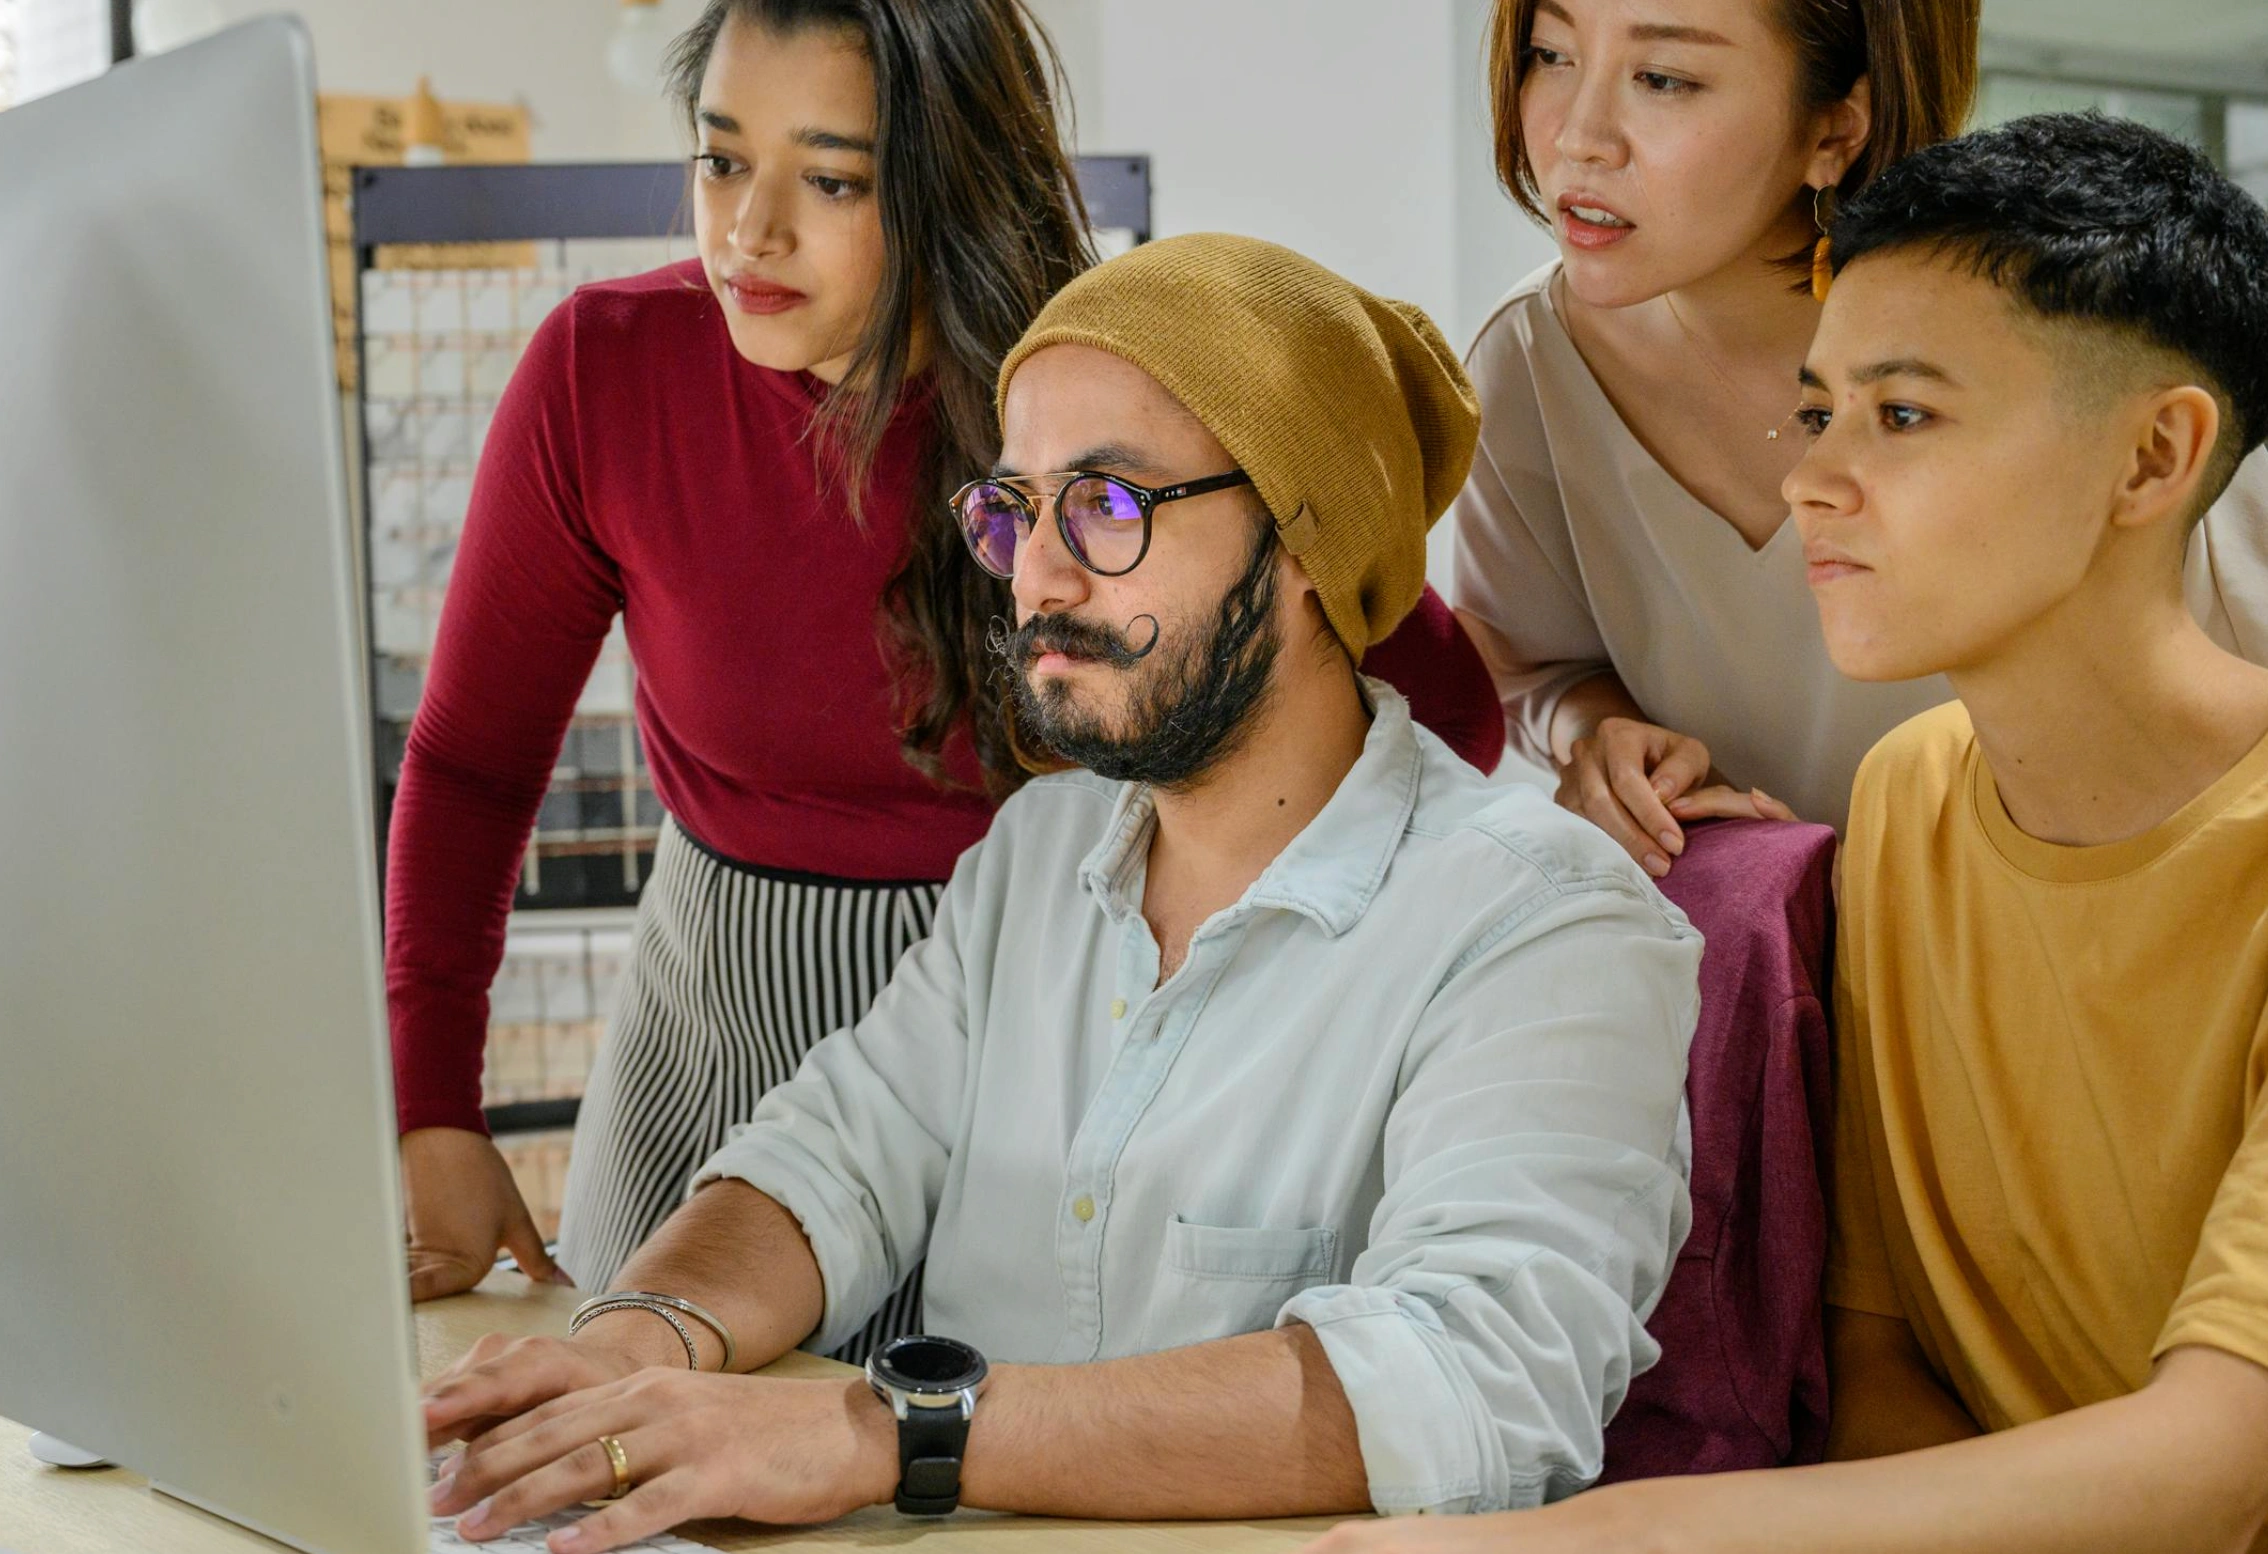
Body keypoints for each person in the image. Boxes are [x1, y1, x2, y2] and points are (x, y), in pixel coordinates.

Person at [418, 233, 1702, 1548]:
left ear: (1305, 541)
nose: (1038, 573)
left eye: (1107, 505)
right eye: (1015, 509)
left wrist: (885, 1433)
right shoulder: (1040, 851)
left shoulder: (1546, 924)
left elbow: (1474, 1380)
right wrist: (634, 1345)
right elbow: (833, 1159)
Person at [388, 0, 1506, 1333]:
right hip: (709, 1024)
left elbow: (1442, 711)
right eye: (723, 158)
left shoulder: (1089, 401)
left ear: (951, 182)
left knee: (984, 1445)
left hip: (1043, 1043)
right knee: (643, 1412)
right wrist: (432, 1108)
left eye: (834, 180)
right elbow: (469, 764)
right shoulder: (603, 371)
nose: (749, 231)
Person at [1298, 113, 2268, 1553]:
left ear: (2153, 458)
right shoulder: (1910, 799)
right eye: (1819, 413)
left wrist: (1554, 1545)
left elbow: (2219, 1463)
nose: (1810, 481)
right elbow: (1877, 1359)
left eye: (1905, 415)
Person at [1450, 0, 2268, 872]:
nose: (1578, 138)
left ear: (1836, 127)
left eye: (1663, 78)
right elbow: (1534, 666)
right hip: (1777, 932)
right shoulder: (1528, 360)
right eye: (1550, 53)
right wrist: (1608, 744)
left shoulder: (2087, 350)